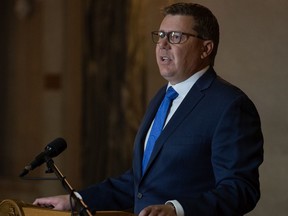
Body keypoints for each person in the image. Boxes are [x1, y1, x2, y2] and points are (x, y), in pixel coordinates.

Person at [33, 2, 264, 216]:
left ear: (205, 49)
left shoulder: (230, 105)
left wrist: (177, 210)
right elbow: (139, 183)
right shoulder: (161, 98)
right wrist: (76, 199)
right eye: (161, 35)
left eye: (176, 36)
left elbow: (241, 189)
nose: (163, 44)